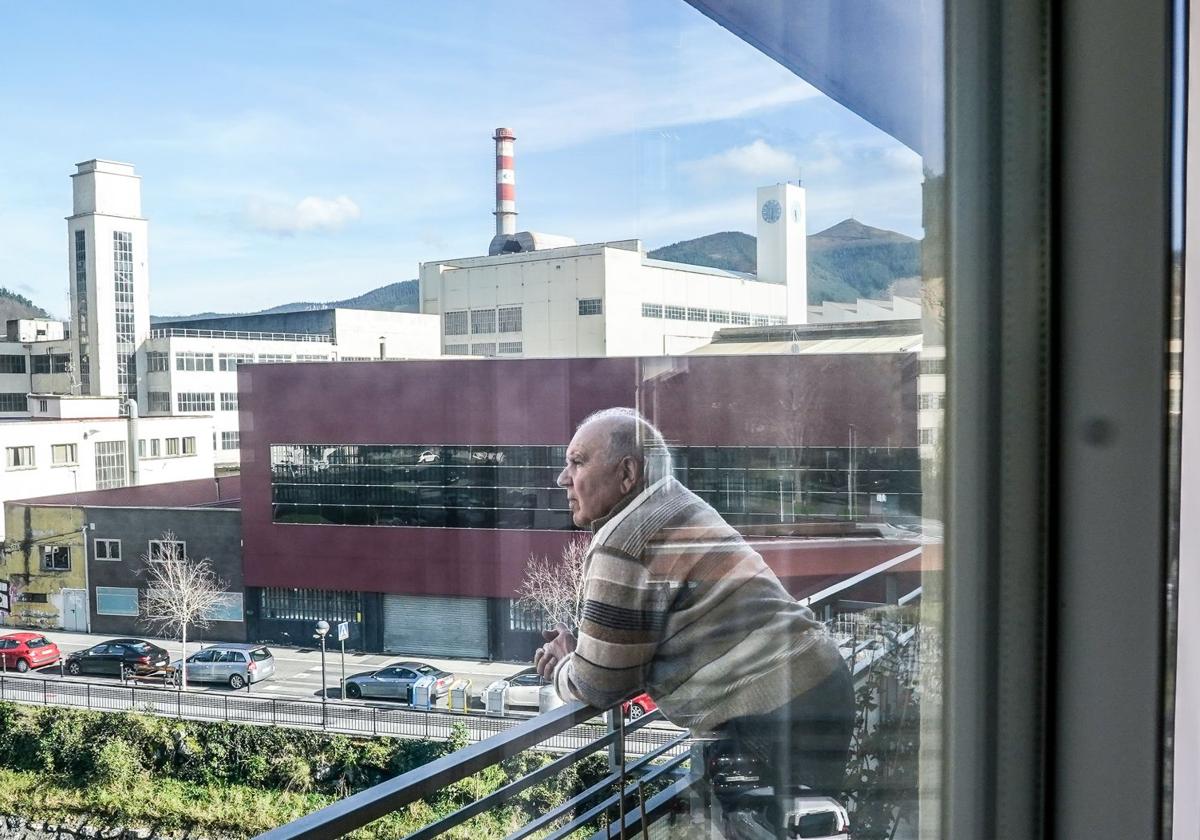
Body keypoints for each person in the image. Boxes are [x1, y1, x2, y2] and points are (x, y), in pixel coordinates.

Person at [534, 407, 855, 802]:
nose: (563, 478)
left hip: (770, 713)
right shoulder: (676, 502)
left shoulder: (624, 542)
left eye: (577, 463)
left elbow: (600, 685)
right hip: (817, 680)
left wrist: (565, 662)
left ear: (627, 474)